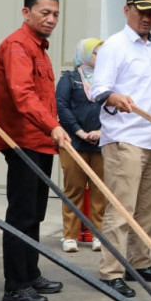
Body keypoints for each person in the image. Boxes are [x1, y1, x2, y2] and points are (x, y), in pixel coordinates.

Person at [89, 0, 151, 297]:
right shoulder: (114, 46)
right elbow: (98, 88)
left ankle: (138, 263)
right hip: (124, 138)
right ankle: (110, 271)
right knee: (121, 208)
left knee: (147, 210)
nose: (147, 18)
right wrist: (113, 96)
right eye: (141, 12)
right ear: (127, 11)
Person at [0, 0, 68, 301]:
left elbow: (45, 99)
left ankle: (31, 272)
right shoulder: (18, 46)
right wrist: (53, 126)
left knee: (35, 214)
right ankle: (15, 285)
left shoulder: (40, 48)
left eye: (55, 14)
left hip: (42, 142)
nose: (51, 19)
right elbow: (23, 95)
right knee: (21, 215)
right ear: (26, 12)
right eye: (45, 13)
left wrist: (54, 130)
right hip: (23, 142)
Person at [56, 38, 105, 253]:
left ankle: (98, 235)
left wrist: (102, 131)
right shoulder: (70, 78)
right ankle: (69, 236)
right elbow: (61, 105)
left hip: (102, 143)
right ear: (85, 55)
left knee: (100, 192)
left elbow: (113, 109)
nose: (100, 58)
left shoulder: (107, 80)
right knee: (73, 189)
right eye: (96, 53)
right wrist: (79, 131)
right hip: (74, 142)